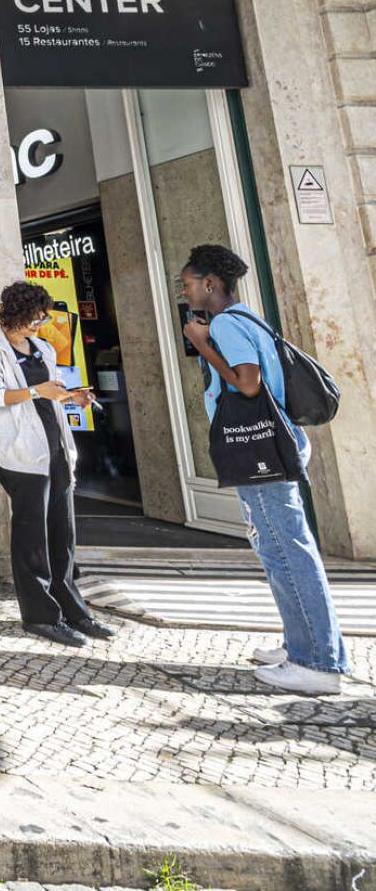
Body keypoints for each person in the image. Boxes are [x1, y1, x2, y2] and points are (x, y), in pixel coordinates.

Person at [180, 244, 350, 695]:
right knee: (280, 547)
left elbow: (248, 384)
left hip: (260, 448)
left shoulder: (225, 324)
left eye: (188, 282)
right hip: (274, 443)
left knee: (285, 548)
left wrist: (201, 344)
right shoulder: (248, 316)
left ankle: (317, 661)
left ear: (210, 283)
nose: (186, 289)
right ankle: (302, 643)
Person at [0, 281, 111, 648]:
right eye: (34, 317)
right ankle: (40, 615)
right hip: (21, 451)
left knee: (62, 531)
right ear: (15, 314)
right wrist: (35, 391)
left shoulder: (42, 348)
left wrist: (72, 397)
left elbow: (51, 393)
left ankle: (72, 608)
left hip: (56, 445)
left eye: (42, 317)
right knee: (32, 534)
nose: (40, 323)